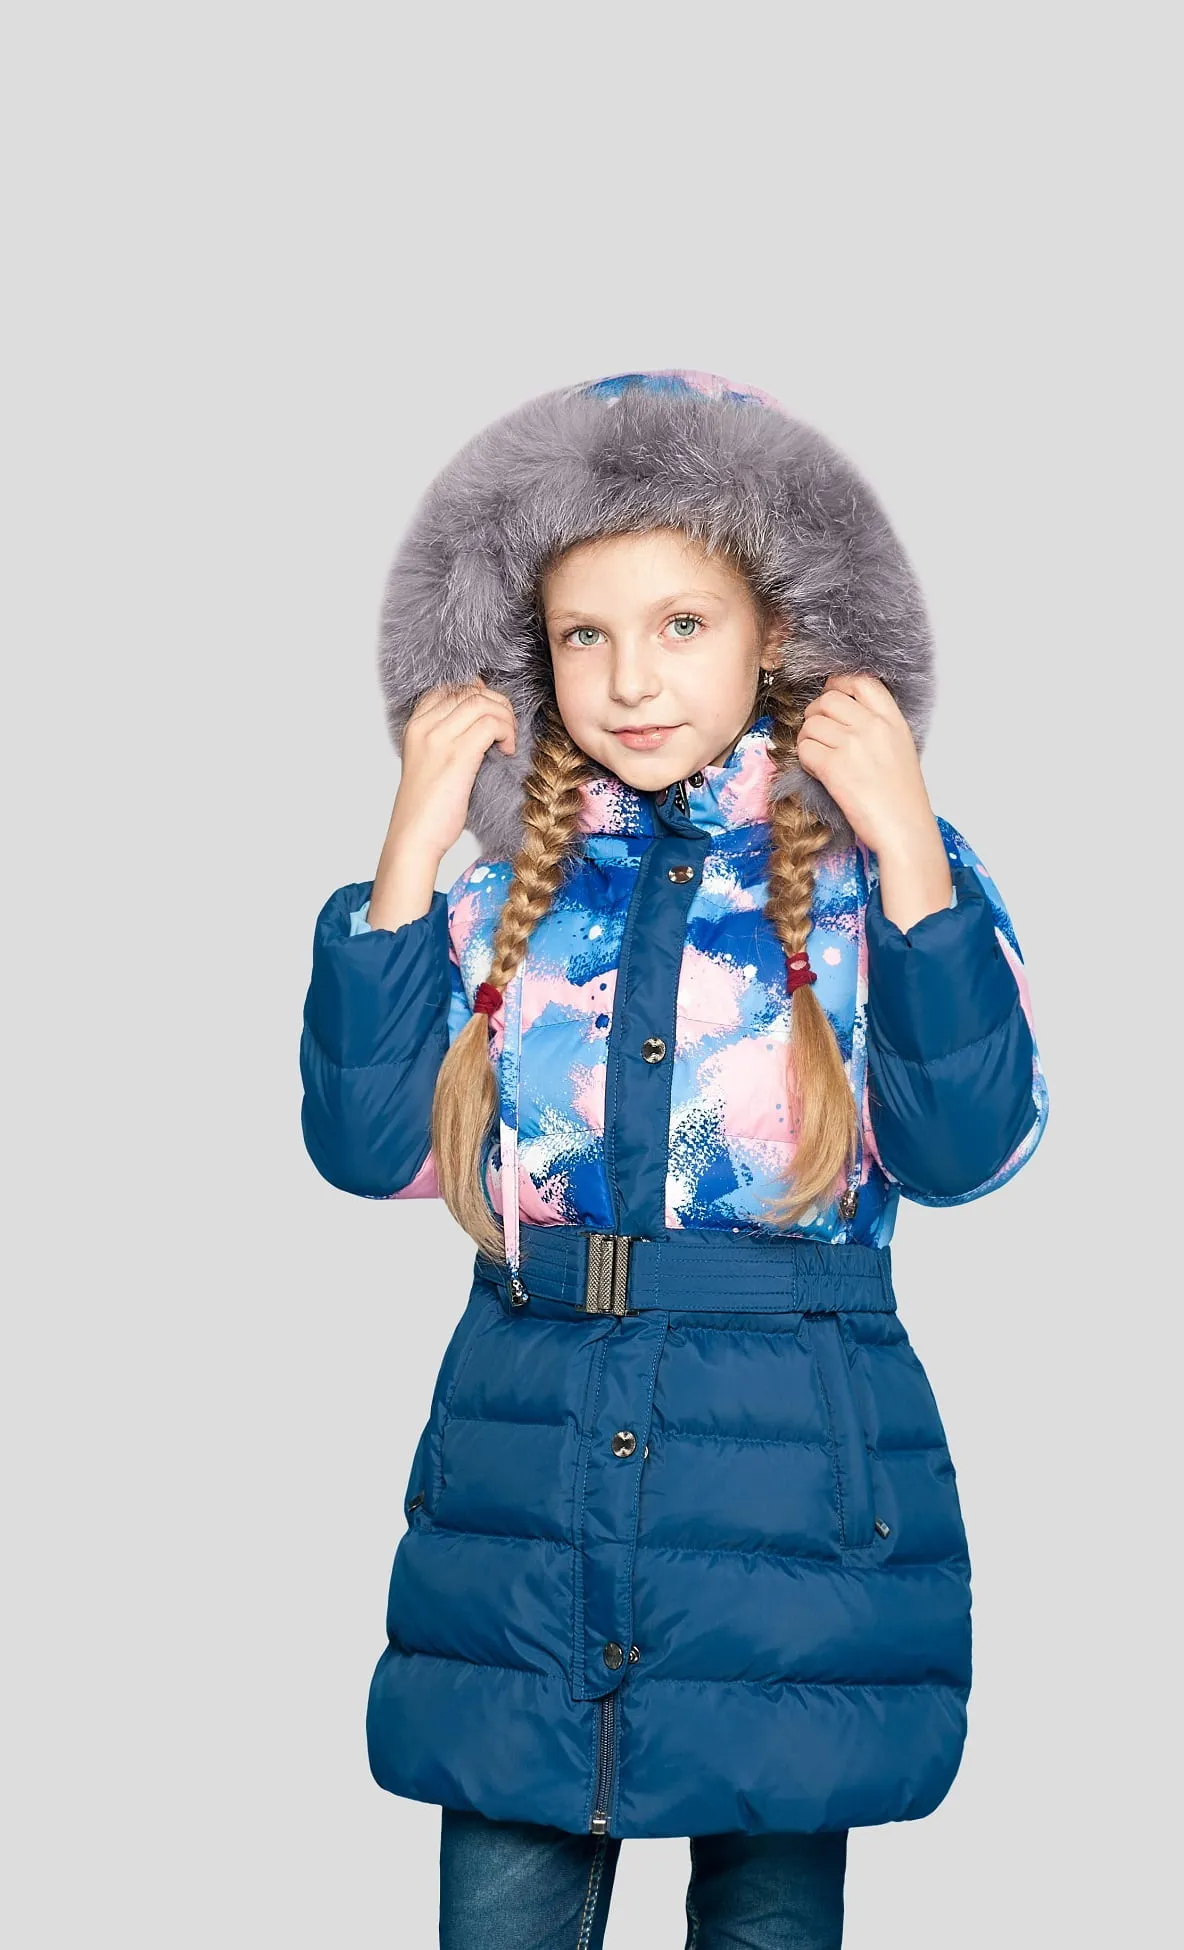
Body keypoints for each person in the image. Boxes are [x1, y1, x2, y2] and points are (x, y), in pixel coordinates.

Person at [299, 369, 1048, 1949]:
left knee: (766, 1907)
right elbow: (367, 1152)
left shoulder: (875, 874)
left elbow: (968, 1147)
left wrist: (912, 847)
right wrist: (407, 854)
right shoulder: (496, 893)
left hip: (789, 1496)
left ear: (774, 632)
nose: (630, 678)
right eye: (584, 634)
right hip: (530, 1483)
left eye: (682, 624)